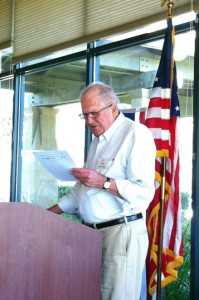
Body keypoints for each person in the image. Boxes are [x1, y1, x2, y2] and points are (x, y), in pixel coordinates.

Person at [48, 82, 156, 300]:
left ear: (113, 108)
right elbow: (81, 193)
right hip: (90, 236)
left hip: (119, 233)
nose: (89, 121)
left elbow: (144, 191)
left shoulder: (135, 134)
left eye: (94, 114)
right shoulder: (97, 140)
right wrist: (44, 214)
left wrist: (105, 182)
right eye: (85, 115)